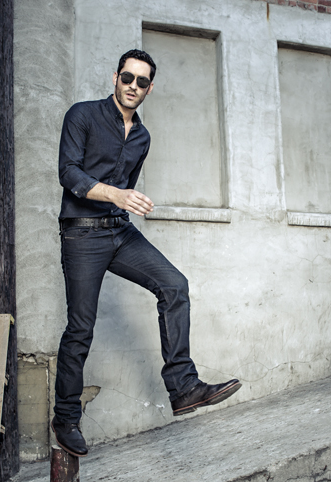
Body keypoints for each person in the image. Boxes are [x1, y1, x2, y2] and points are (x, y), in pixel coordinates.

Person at [51, 49, 241, 457]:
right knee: (80, 329)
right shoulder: (82, 115)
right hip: (82, 235)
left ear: (149, 88)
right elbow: (68, 172)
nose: (132, 86)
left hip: (119, 231)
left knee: (174, 285)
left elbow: (127, 187)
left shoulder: (142, 137)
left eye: (141, 82)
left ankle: (183, 388)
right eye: (127, 77)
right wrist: (116, 195)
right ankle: (65, 419)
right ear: (115, 77)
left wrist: (126, 202)